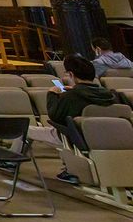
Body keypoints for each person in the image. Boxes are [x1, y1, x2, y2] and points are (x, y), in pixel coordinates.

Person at [21, 54, 118, 185]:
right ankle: (69, 168)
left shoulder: (71, 96)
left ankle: (10, 160)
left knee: (23, 128)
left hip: (76, 138)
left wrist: (52, 94)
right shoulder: (110, 95)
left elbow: (55, 116)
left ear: (71, 75)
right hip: (108, 138)